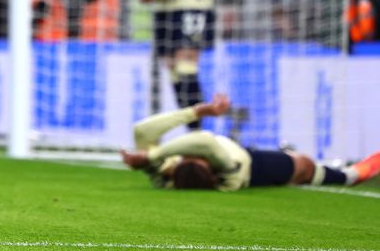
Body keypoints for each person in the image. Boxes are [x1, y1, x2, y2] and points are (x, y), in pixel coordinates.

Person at [120, 93, 380, 191]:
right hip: (252, 167)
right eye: (194, 158)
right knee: (303, 166)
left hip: (234, 149)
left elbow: (141, 130)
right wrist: (151, 157)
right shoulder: (225, 170)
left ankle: (289, 153)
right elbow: (204, 142)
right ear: (209, 168)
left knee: (144, 137)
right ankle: (348, 176)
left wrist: (197, 112)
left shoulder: (163, 173)